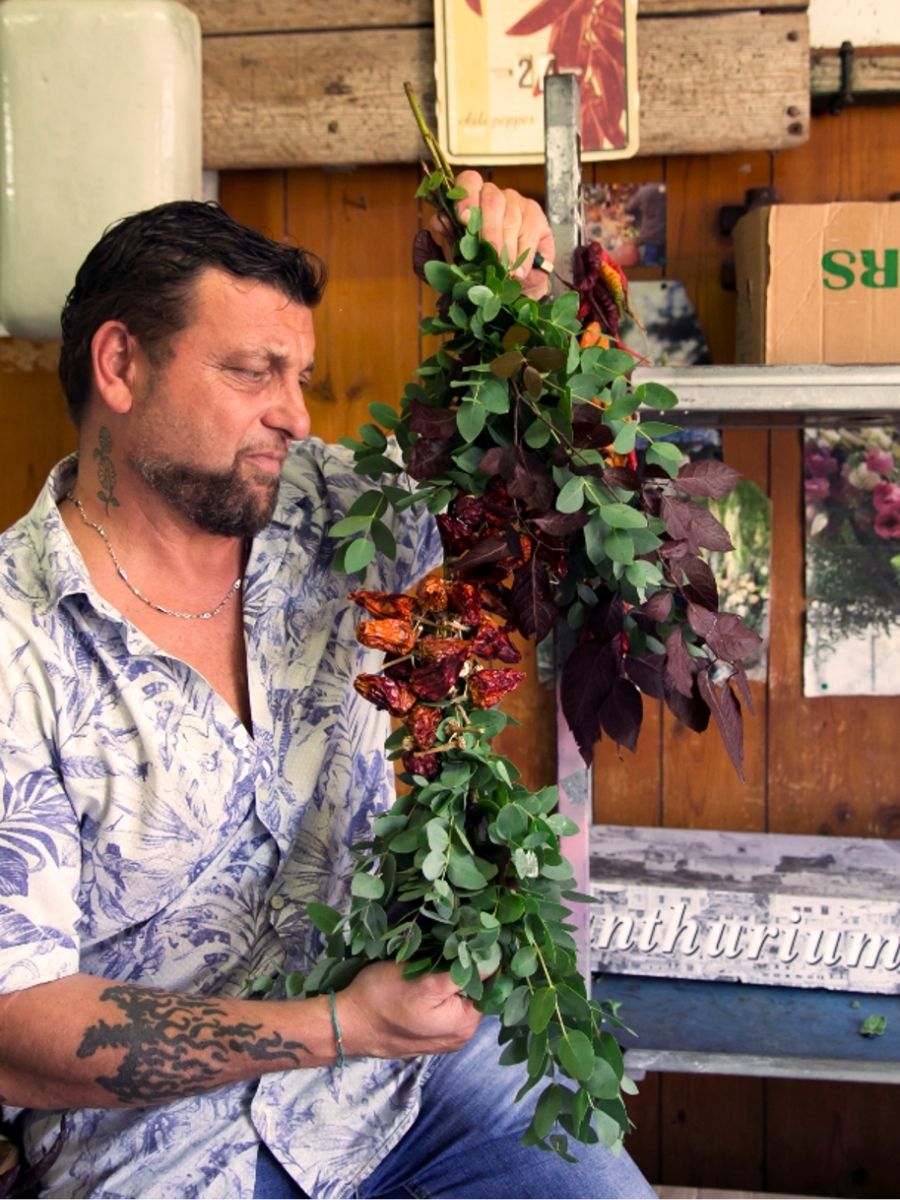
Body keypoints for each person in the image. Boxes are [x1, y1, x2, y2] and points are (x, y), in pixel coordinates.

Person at [0, 172, 655, 1199]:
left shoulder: (333, 511)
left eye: (300, 374)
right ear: (120, 365)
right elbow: (15, 1025)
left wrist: (514, 300)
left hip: (397, 1088)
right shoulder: (14, 645)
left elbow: (544, 502)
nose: (296, 416)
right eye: (256, 373)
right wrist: (338, 1023)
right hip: (160, 1145)